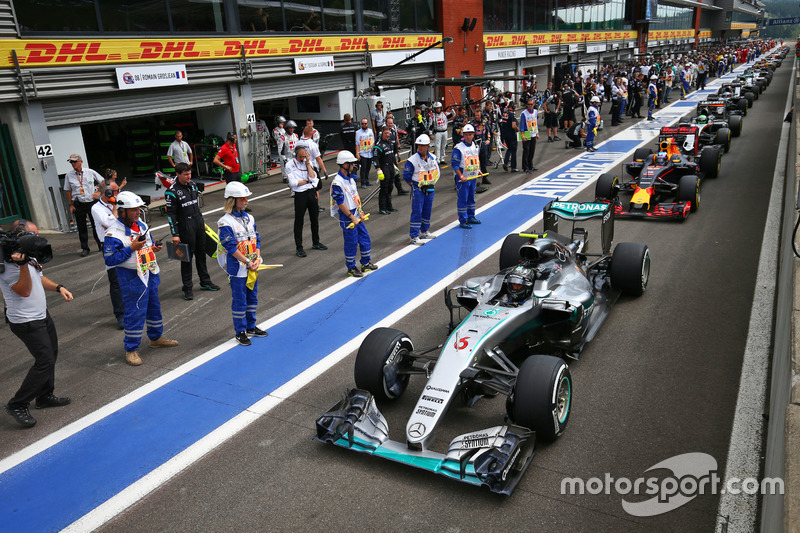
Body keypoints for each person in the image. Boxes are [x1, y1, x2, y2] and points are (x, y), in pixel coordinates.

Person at [0, 219, 73, 428]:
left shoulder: (28, 256)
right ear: (22, 237)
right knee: (45, 361)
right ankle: (17, 404)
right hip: (25, 320)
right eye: (34, 234)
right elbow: (23, 290)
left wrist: (59, 287)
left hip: (41, 315)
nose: (38, 236)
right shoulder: (8, 264)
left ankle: (44, 396)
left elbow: (39, 277)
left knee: (52, 354)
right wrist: (22, 265)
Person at [103, 191, 178, 366]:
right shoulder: (113, 234)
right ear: (122, 212)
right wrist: (131, 248)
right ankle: (131, 349)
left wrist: (154, 247)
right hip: (131, 277)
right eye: (133, 210)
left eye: (138, 209)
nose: (138, 212)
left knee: (154, 307)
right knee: (134, 312)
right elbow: (110, 259)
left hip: (149, 272)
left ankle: (156, 338)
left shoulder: (142, 224)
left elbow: (149, 244)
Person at [217, 182, 268, 346]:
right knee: (240, 301)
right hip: (237, 269)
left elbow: (257, 239)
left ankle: (251, 326)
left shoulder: (249, 218)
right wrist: (247, 261)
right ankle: (240, 331)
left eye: (246, 198)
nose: (246, 201)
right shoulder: (225, 222)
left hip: (252, 266)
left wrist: (257, 258)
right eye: (243, 198)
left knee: (252, 298)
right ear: (232, 200)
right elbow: (230, 247)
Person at [165, 162, 220, 300]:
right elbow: (171, 216)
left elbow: (196, 207)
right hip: (185, 227)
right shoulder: (171, 191)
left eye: (190, 173)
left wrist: (202, 223)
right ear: (178, 174)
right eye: (186, 174)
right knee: (187, 259)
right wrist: (175, 234)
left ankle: (205, 281)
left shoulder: (193, 185)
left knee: (201, 254)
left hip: (198, 223)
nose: (189, 176)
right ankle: (187, 288)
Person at [329, 151, 378, 277]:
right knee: (351, 242)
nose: (354, 166)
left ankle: (365, 264)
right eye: (352, 164)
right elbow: (340, 204)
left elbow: (355, 197)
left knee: (364, 238)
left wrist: (360, 212)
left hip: (356, 213)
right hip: (347, 216)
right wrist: (352, 217)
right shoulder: (337, 183)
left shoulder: (351, 179)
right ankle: (351, 268)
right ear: (345, 164)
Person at [91, 183, 125, 329]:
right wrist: (116, 207)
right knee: (115, 279)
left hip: (125, 240)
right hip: (109, 244)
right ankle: (121, 315)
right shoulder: (96, 208)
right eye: (116, 191)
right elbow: (109, 223)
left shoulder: (121, 201)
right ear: (108, 193)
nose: (119, 192)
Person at [286, 145, 327, 257]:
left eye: (304, 156)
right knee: (299, 221)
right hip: (300, 195)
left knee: (315, 219)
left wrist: (308, 163)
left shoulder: (308, 163)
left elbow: (314, 179)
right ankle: (299, 247)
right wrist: (306, 181)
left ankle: (316, 242)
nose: (302, 159)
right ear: (295, 155)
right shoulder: (289, 165)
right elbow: (294, 183)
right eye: (301, 157)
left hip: (311, 192)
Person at [63, 153, 105, 257]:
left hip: (92, 202)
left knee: (96, 224)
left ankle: (101, 244)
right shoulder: (69, 175)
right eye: (71, 162)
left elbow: (103, 182)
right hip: (79, 203)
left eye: (75, 161)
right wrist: (70, 204)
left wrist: (99, 193)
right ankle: (85, 248)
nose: (73, 164)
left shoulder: (90, 172)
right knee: (81, 227)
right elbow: (68, 190)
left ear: (81, 162)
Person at [403, 134, 439, 245]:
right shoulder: (412, 160)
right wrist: (415, 186)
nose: (420, 147)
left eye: (422, 146)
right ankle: (413, 236)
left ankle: (424, 231)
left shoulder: (433, 158)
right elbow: (406, 176)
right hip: (418, 189)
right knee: (417, 212)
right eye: (419, 145)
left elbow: (436, 172)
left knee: (427, 210)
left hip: (430, 188)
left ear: (428, 146)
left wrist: (431, 184)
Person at [452, 124, 482, 229]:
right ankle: (463, 220)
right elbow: (454, 165)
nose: (468, 136)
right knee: (463, 199)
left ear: (473, 135)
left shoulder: (474, 145)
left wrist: (478, 171)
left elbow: (475, 160)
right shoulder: (458, 148)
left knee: (471, 198)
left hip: (472, 177)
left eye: (470, 134)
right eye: (466, 134)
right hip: (463, 178)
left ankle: (471, 216)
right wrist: (460, 176)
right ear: (463, 135)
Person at [373, 127, 398, 215]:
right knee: (384, 188)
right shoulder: (378, 145)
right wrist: (378, 170)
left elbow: (392, 155)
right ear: (382, 134)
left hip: (391, 167)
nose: (387, 135)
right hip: (384, 168)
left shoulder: (390, 142)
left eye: (388, 133)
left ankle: (389, 206)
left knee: (390, 187)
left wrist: (395, 166)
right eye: (385, 133)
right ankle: (382, 208)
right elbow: (375, 159)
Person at [384, 116, 408, 195]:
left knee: (396, 174)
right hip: (385, 158)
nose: (390, 125)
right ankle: (386, 192)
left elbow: (395, 144)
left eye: (391, 123)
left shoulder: (394, 132)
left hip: (392, 157)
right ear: (386, 123)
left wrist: (398, 153)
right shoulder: (382, 133)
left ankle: (400, 189)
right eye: (389, 123)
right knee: (388, 177)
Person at [472, 110, 492, 187]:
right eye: (475, 115)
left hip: (483, 145)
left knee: (483, 162)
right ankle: (474, 180)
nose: (476, 117)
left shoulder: (484, 122)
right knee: (474, 164)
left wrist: (488, 139)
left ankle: (484, 178)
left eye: (478, 115)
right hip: (475, 146)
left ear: (480, 115)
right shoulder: (472, 124)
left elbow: (488, 131)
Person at [519, 99, 539, 173]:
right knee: (526, 150)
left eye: (531, 104)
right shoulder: (524, 113)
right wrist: (522, 135)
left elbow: (536, 123)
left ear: (534, 104)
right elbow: (522, 125)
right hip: (527, 134)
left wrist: (537, 133)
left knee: (532, 150)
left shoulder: (535, 112)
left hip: (533, 133)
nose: (530, 105)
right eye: (528, 104)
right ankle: (525, 167)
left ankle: (531, 165)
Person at [355, 118, 375, 188]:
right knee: (363, 168)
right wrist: (357, 153)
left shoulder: (370, 131)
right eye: (362, 124)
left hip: (370, 153)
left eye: (365, 123)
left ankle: (367, 180)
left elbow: (373, 142)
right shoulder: (358, 133)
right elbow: (357, 143)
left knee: (368, 168)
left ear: (367, 124)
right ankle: (363, 182)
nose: (364, 125)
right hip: (363, 153)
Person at [431, 102, 452, 166]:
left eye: (439, 108)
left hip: (445, 131)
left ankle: (442, 159)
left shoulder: (445, 114)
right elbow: (430, 126)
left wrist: (451, 109)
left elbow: (453, 114)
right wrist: (430, 134)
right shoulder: (432, 116)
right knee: (437, 146)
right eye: (436, 108)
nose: (438, 110)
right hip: (437, 132)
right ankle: (437, 160)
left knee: (443, 146)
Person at [500, 101, 519, 172]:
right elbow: (513, 126)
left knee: (509, 148)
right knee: (513, 150)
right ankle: (513, 167)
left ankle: (505, 162)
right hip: (511, 134)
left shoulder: (504, 114)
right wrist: (518, 129)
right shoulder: (512, 114)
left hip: (505, 134)